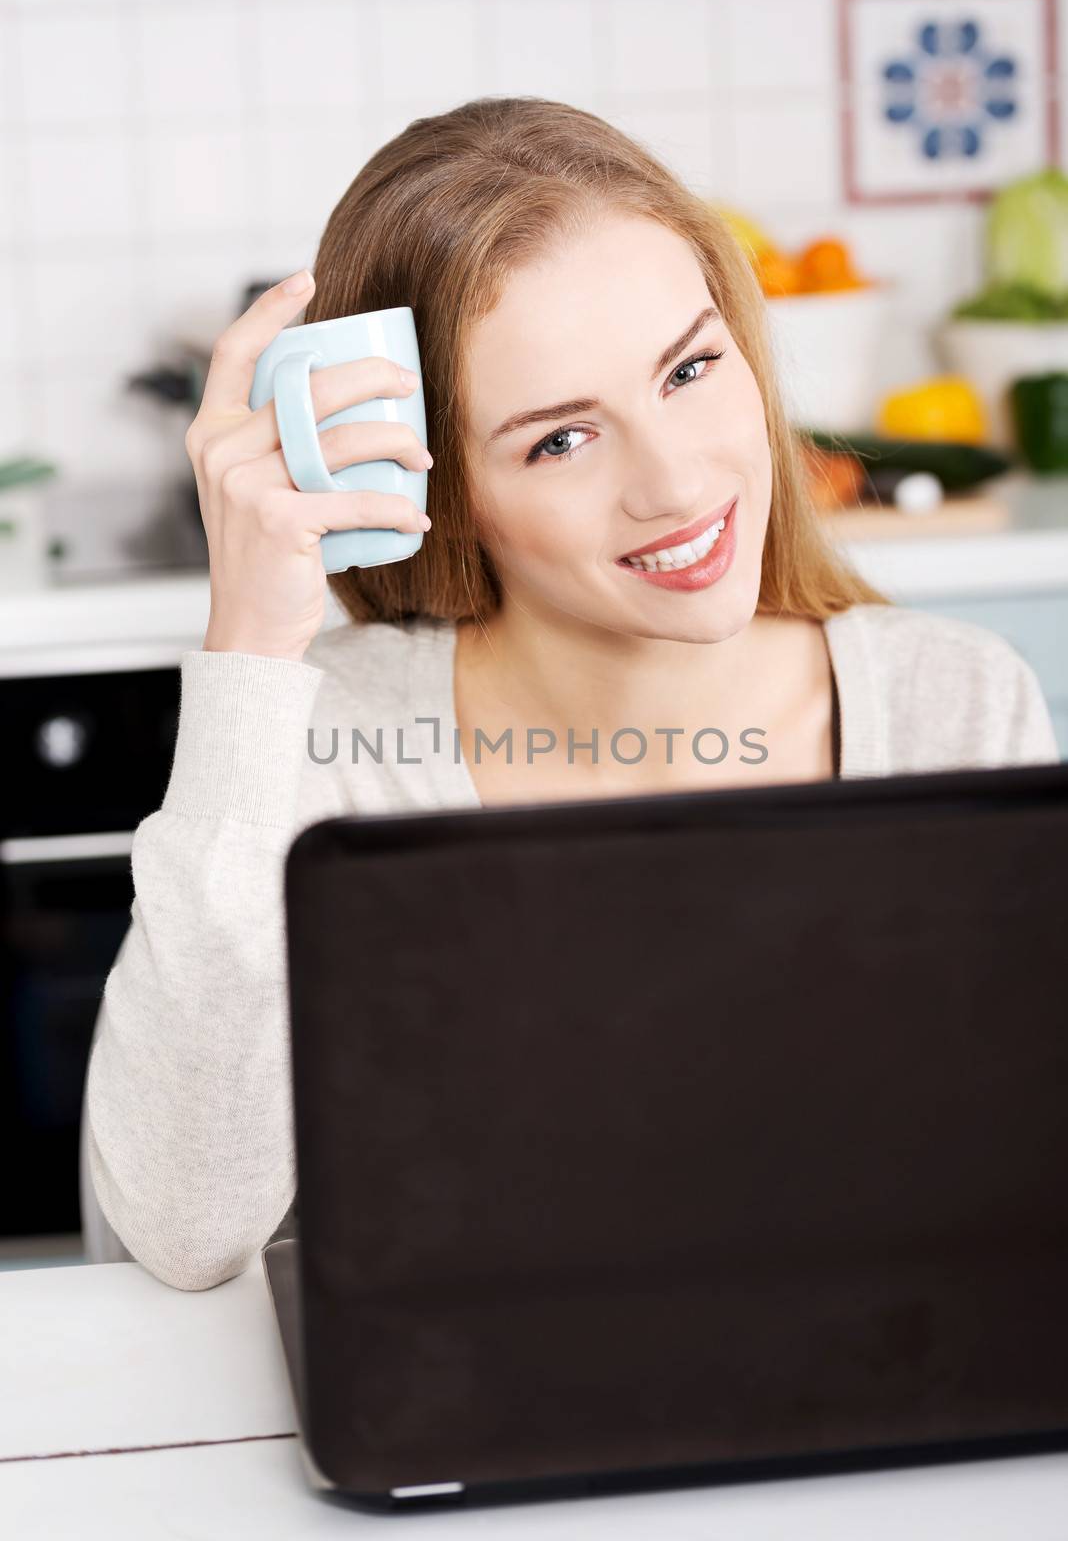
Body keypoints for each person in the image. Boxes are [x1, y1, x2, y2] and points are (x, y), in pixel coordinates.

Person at [84, 97, 1059, 1291]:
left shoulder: (953, 706)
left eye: (692, 369)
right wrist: (250, 652)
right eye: (558, 440)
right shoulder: (329, 743)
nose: (677, 480)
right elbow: (181, 1229)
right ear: (445, 487)